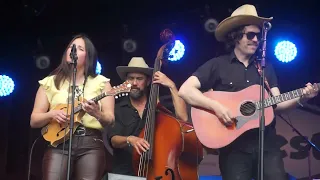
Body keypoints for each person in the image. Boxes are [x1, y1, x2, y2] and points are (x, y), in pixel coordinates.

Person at [178, 4, 319, 180]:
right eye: (250, 35)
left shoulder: (265, 69)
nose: (255, 40)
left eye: (258, 36)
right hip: (234, 149)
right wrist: (216, 107)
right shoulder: (218, 65)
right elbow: (185, 90)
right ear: (236, 36)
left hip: (267, 146)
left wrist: (302, 98)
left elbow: (277, 104)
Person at [30, 34, 115, 180]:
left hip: (91, 143)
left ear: (88, 56)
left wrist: (97, 114)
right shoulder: (50, 82)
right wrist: (51, 114)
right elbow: (34, 120)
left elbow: (110, 119)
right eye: (71, 47)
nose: (73, 50)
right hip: (58, 142)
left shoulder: (102, 82)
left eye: (80, 48)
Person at [107, 57, 188, 176]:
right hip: (125, 171)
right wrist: (130, 139)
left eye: (139, 79)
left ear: (148, 81)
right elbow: (113, 140)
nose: (134, 83)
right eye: (131, 78)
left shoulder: (160, 105)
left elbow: (183, 118)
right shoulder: (118, 107)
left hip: (157, 170)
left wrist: (172, 86)